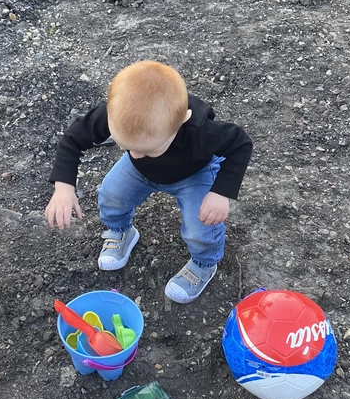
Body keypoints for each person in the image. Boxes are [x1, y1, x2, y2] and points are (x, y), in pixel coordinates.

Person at [45, 61, 253, 303]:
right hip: (139, 173)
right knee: (112, 195)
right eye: (127, 147)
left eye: (147, 149)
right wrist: (63, 187)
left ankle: (204, 264)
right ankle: (122, 232)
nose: (135, 154)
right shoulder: (118, 112)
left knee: (201, 226)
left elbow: (241, 145)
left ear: (181, 122)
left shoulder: (201, 131)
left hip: (193, 174)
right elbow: (72, 140)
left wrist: (221, 192)